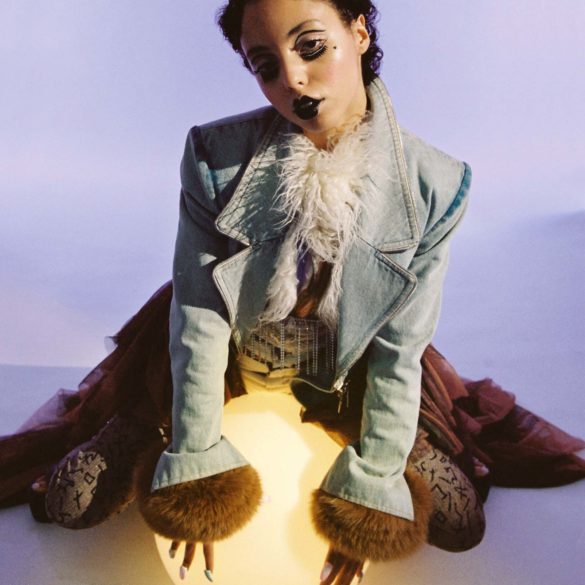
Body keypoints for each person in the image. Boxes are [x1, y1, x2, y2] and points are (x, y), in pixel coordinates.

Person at [1, 1, 584, 584]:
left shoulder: (436, 184)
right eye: (266, 65)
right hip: (229, 355)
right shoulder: (214, 159)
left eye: (311, 47)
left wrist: (373, 489)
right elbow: (200, 319)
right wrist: (194, 467)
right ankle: (144, 421)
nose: (293, 80)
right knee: (72, 505)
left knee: (459, 526)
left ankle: (409, 441)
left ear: (359, 32)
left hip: (349, 369)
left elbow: (398, 350)